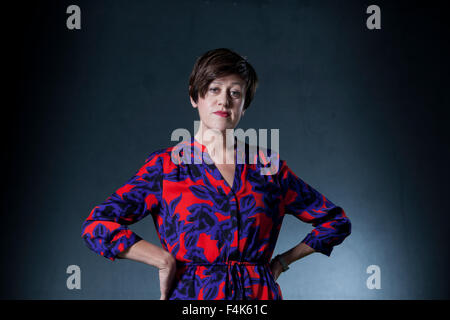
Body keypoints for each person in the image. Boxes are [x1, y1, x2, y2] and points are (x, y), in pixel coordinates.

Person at [81, 48, 352, 300]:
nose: (224, 100)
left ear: (244, 105)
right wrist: (162, 260)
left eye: (235, 93)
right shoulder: (166, 167)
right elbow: (97, 226)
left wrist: (282, 262)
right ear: (194, 96)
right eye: (214, 89)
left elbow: (335, 221)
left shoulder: (268, 167)